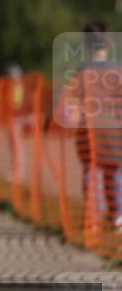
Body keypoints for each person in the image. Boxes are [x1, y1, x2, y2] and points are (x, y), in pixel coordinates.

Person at [59, 22, 121, 232]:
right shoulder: (118, 71)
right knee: (114, 173)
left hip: (89, 130)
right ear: (110, 43)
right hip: (114, 132)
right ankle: (116, 215)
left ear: (86, 44)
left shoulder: (80, 73)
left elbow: (68, 101)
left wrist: (69, 118)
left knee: (91, 171)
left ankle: (92, 218)